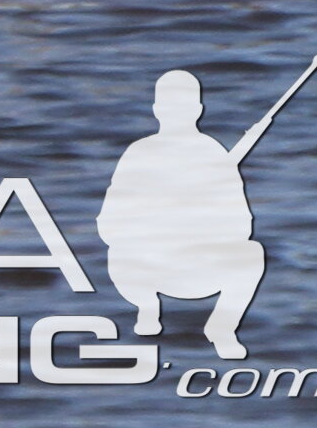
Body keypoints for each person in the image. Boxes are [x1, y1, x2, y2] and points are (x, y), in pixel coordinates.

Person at [101, 69, 267, 361]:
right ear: (198, 110)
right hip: (148, 267)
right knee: (251, 254)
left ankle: (221, 327)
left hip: (196, 268)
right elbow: (109, 226)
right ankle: (148, 308)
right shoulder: (140, 153)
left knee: (252, 253)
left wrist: (198, 223)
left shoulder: (212, 155)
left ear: (156, 110)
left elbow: (241, 227)